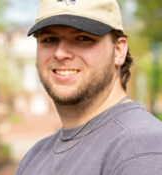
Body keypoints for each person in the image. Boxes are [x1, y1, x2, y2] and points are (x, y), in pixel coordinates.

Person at [15, 0, 162, 174]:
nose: (60, 53)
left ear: (119, 51)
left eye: (83, 38)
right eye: (50, 39)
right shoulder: (36, 156)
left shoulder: (140, 148)